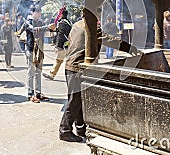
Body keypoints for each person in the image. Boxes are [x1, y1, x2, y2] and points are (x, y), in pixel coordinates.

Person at [59, 12, 138, 142]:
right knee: (74, 101)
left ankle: (80, 129)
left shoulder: (77, 24)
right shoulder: (91, 27)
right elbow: (110, 40)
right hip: (78, 67)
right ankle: (65, 130)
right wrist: (130, 48)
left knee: (78, 100)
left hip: (69, 65)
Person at [17, 5, 54, 103]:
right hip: (31, 50)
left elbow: (46, 30)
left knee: (38, 72)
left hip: (40, 50)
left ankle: (38, 93)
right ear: (32, 12)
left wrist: (53, 28)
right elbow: (33, 29)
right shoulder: (27, 22)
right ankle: (30, 94)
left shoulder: (41, 22)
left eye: (39, 12)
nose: (39, 14)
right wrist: (47, 27)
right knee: (31, 73)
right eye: (37, 12)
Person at [43, 9, 72, 80]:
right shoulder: (67, 22)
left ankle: (52, 74)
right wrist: (53, 29)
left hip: (62, 45)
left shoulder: (63, 23)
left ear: (61, 14)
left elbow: (61, 35)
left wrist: (58, 46)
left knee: (58, 60)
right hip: (67, 44)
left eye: (59, 14)